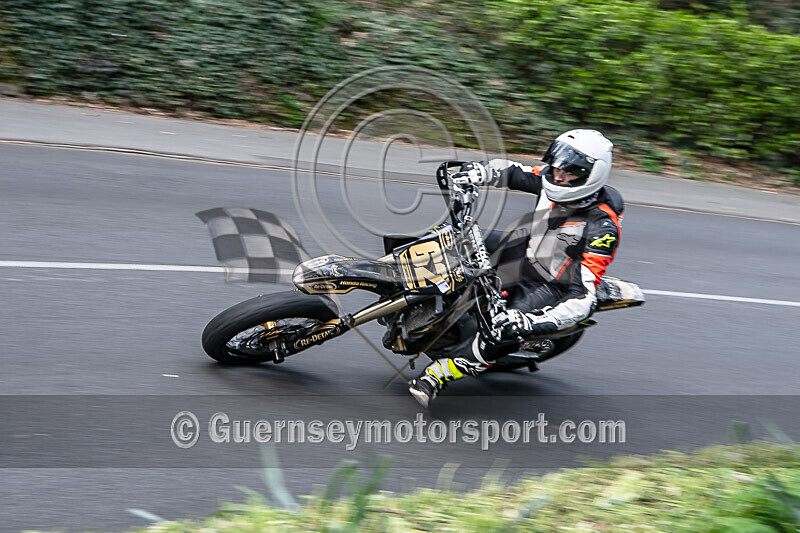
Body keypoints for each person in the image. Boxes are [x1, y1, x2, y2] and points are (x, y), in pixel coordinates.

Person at [408, 129, 623, 408]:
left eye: (570, 171)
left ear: (592, 175)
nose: (558, 174)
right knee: (449, 239)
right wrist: (478, 171)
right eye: (557, 164)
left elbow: (583, 295)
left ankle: (438, 375)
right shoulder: (550, 178)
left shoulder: (603, 228)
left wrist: (530, 322)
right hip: (526, 248)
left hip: (550, 283)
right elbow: (513, 171)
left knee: (503, 330)